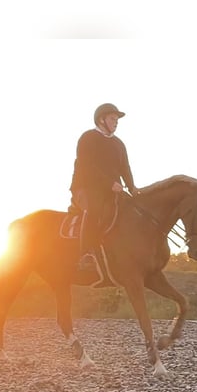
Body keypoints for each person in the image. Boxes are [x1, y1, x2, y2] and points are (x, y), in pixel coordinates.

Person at [69, 103, 139, 271]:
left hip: (113, 190)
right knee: (95, 210)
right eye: (112, 119)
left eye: (117, 120)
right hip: (85, 188)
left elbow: (125, 168)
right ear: (101, 120)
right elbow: (87, 166)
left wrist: (132, 187)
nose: (116, 122)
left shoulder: (119, 144)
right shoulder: (88, 138)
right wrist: (109, 183)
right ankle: (86, 254)